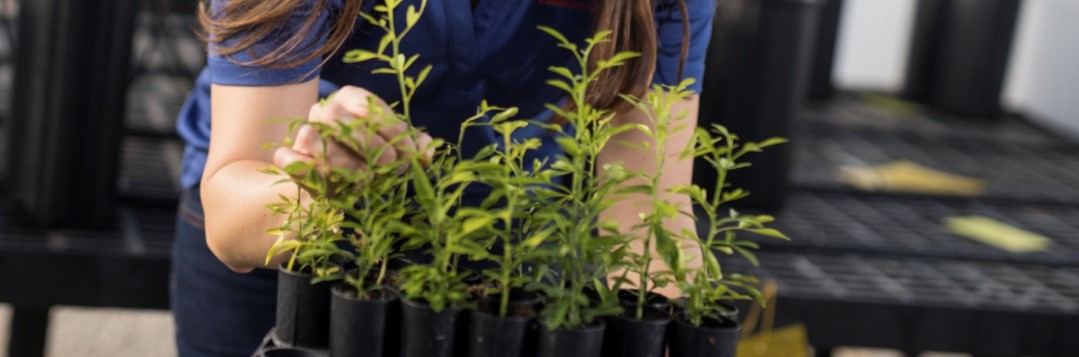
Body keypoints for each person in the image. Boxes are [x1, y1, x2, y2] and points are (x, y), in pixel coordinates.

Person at [172, 0, 715, 355]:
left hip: (507, 236)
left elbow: (644, 212)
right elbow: (231, 211)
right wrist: (318, 192)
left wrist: (668, 334)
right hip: (286, 239)